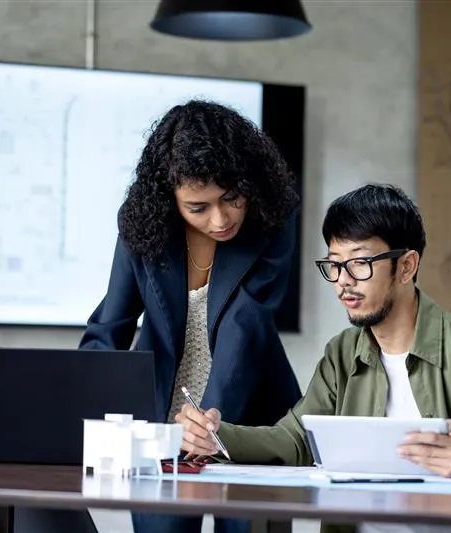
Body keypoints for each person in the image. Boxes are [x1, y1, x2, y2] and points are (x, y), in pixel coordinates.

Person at [175, 183, 451, 533]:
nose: (343, 283)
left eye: (360, 264)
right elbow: (296, 440)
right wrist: (218, 436)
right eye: (334, 266)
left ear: (406, 266)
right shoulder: (342, 353)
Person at [78, 99, 303, 533]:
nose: (220, 219)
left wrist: (209, 426)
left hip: (249, 422)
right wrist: (78, 410)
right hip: (160, 430)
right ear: (170, 200)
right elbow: (111, 324)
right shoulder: (142, 227)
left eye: (231, 199)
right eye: (198, 208)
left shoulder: (274, 216)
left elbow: (245, 323)